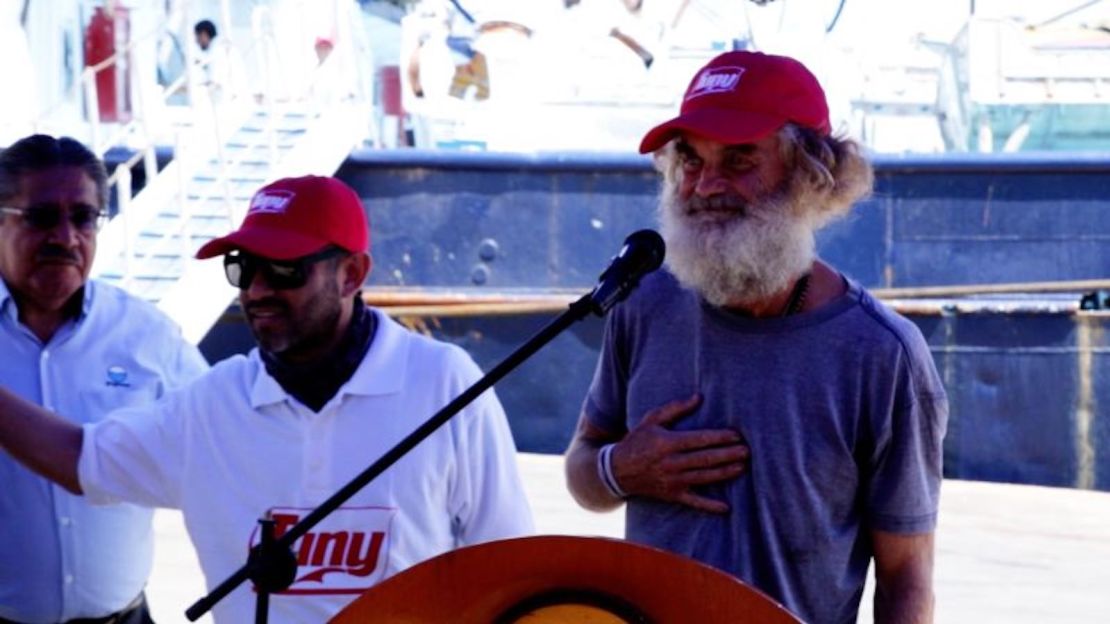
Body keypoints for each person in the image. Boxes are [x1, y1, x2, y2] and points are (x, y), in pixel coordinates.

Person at [0, 175, 535, 623]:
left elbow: (509, 563)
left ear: (351, 274)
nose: (256, 290)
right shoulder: (209, 406)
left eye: (283, 269)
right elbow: (81, 459)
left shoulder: (443, 383)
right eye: (242, 267)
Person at [564, 51, 948, 624]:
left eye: (740, 159)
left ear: (810, 178)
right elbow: (582, 472)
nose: (706, 185)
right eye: (690, 159)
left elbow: (906, 580)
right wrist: (621, 468)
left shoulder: (882, 354)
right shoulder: (643, 302)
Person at [0, 134, 209, 623]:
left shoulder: (148, 337)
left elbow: (216, 448)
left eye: (83, 218)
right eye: (41, 216)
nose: (66, 238)